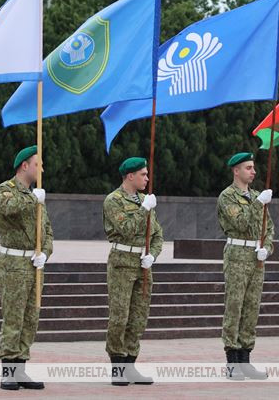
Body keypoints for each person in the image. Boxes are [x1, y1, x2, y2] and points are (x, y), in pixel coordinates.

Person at [0, 145, 52, 390]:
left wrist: (45, 253)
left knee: (30, 319)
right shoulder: (6, 189)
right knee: (14, 318)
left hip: (34, 265)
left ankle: (20, 369)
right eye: (38, 164)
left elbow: (47, 231)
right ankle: (8, 372)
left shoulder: (36, 195)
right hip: (13, 264)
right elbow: (8, 208)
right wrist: (32, 199)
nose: (42, 169)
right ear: (24, 166)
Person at [103, 157, 164, 385]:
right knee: (120, 317)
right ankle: (117, 366)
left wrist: (152, 255)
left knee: (138, 318)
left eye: (147, 174)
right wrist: (143, 210)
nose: (147, 178)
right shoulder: (114, 200)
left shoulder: (145, 200)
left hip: (143, 265)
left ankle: (130, 364)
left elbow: (157, 235)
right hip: (122, 263)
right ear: (130, 176)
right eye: (143, 174)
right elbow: (126, 228)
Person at [217, 152, 275, 381]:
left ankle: (245, 358)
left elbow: (269, 228)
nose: (253, 171)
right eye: (248, 168)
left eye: (253, 167)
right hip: (237, 255)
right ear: (236, 171)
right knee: (235, 307)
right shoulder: (227, 196)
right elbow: (240, 223)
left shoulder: (258, 196)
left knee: (252, 308)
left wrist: (266, 248)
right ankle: (232, 361)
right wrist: (258, 204)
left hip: (256, 257)